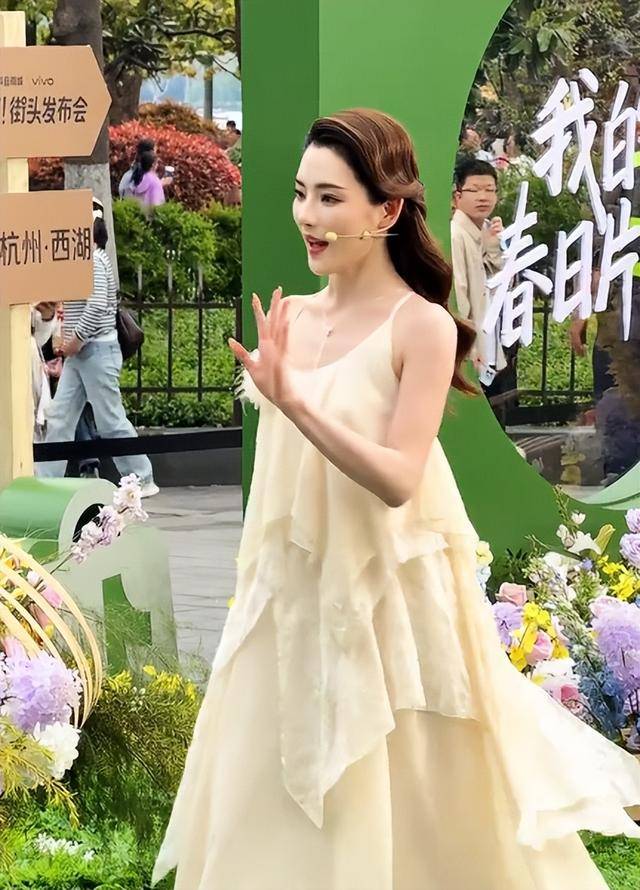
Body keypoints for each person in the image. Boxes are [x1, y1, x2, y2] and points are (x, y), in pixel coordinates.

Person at [152, 108, 640, 890]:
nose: (307, 215)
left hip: (391, 601)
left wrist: (295, 401)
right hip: (289, 599)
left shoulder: (422, 327)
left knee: (418, 800)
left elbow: (398, 479)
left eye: (329, 198)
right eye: (301, 193)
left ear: (385, 211)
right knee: (270, 794)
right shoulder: (291, 318)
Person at [37, 216, 158, 497]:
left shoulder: (93, 261)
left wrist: (74, 341)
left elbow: (96, 307)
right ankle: (46, 478)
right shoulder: (88, 262)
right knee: (60, 416)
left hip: (96, 352)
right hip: (84, 354)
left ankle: (142, 477)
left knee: (109, 419)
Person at [451, 157, 517, 426]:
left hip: (484, 345)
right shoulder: (456, 235)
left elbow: (494, 280)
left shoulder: (480, 232)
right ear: (457, 196)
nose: (483, 197)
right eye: (475, 190)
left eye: (489, 190)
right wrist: (468, 348)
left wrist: (491, 245)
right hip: (473, 350)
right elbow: (458, 296)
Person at [130, 149, 168, 215]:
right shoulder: (155, 181)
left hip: (139, 215)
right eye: (157, 163)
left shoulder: (140, 178)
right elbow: (157, 204)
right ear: (153, 164)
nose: (157, 165)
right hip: (151, 216)